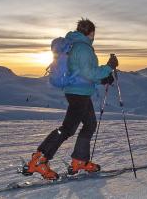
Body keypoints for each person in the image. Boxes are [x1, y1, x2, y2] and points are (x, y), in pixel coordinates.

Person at [23, 18, 118, 180]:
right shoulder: (84, 48)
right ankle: (39, 160)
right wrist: (109, 67)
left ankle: (79, 161)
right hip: (79, 93)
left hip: (78, 90)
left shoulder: (74, 44)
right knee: (68, 128)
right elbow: (90, 72)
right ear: (91, 32)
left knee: (89, 124)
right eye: (94, 34)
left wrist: (102, 79)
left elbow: (81, 72)